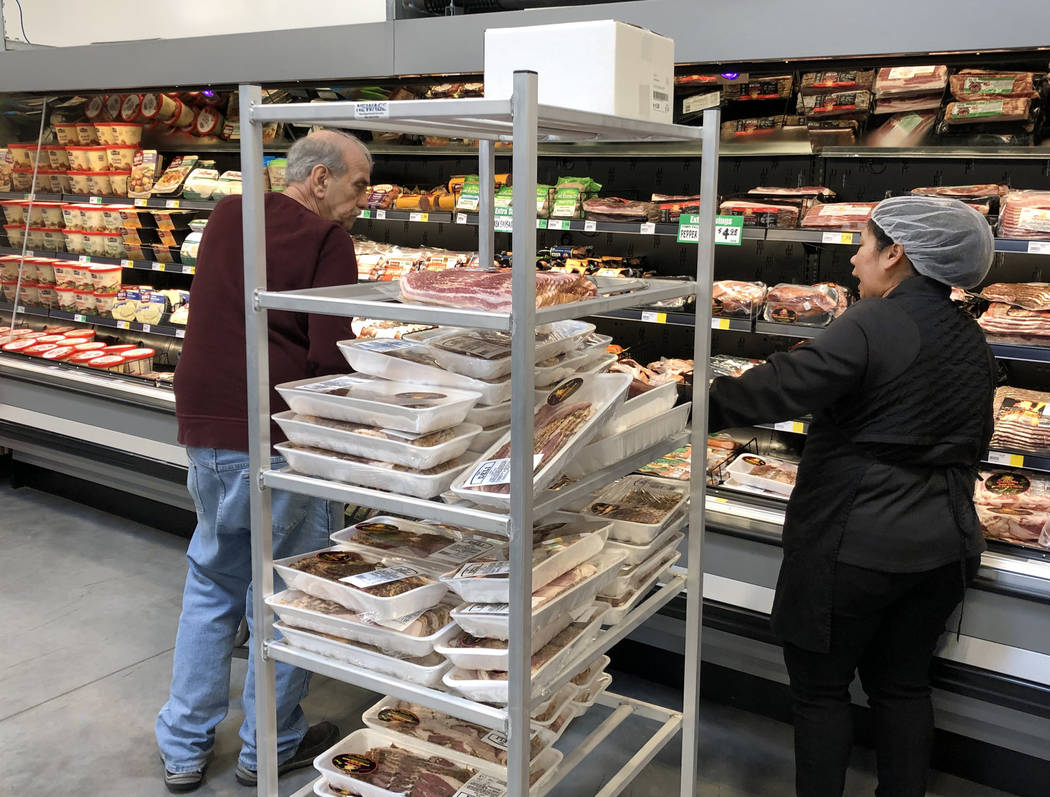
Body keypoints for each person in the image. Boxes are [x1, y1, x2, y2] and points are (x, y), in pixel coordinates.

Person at [708, 196, 997, 797]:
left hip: (856, 542)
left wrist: (678, 395)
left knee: (820, 693)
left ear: (896, 253)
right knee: (903, 687)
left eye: (863, 245)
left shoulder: (873, 322)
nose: (855, 259)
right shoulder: (972, 337)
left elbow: (778, 389)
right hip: (944, 541)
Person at [156, 129, 372, 793]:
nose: (364, 199)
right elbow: (329, 356)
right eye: (359, 184)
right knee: (287, 592)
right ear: (319, 180)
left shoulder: (228, 213)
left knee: (213, 576)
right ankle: (268, 748)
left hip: (207, 422)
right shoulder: (329, 241)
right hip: (280, 432)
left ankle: (185, 745)